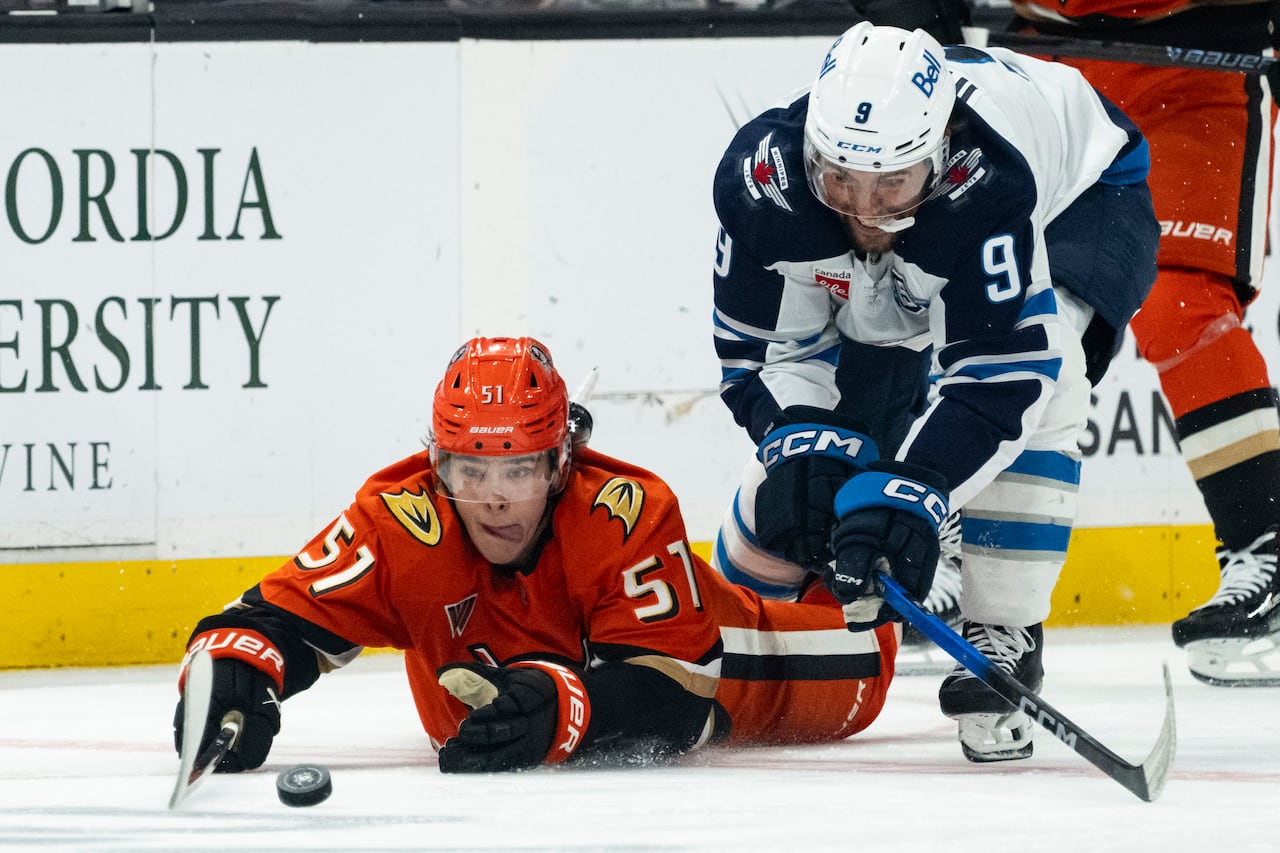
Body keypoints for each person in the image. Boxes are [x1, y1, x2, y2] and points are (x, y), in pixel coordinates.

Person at [709, 22, 1159, 761]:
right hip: (944, 220)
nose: (863, 208)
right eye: (841, 178)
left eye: (890, 180)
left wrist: (917, 489)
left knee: (1056, 375)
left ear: (941, 150)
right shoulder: (766, 183)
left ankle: (1005, 625)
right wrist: (804, 445)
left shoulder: (986, 186)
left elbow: (1003, 379)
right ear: (814, 147)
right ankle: (721, 611)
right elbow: (762, 357)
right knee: (824, 469)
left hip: (1085, 194)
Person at [172, 336, 899, 775]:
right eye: (469, 469)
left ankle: (857, 516)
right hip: (650, 649)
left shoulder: (624, 512)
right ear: (436, 464)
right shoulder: (401, 520)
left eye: (517, 470)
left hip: (744, 657)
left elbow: (676, 702)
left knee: (868, 649)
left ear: (559, 463)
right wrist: (229, 675)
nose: (492, 497)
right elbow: (270, 619)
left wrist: (563, 707)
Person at [1002, 1, 1280, 686]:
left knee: (1176, 299)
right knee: (1011, 299)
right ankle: (982, 574)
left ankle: (1264, 544)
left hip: (1201, 55)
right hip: (1047, 65)